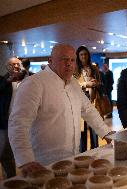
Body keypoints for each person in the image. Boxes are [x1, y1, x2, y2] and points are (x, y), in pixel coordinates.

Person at [8, 44, 114, 176]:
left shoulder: (73, 83)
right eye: (64, 59)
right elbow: (18, 123)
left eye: (72, 60)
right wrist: (26, 160)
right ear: (50, 60)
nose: (69, 64)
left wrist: (106, 133)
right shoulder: (34, 84)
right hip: (43, 164)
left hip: (72, 159)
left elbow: (88, 110)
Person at [74, 46, 104, 152]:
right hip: (79, 103)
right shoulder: (75, 69)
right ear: (78, 56)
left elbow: (101, 83)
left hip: (93, 101)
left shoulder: (94, 68)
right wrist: (86, 84)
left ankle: (95, 151)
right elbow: (73, 85)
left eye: (85, 54)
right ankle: (82, 153)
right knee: (82, 130)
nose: (84, 56)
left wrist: (96, 83)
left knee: (94, 128)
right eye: (81, 54)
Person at [0, 57, 26, 178]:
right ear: (7, 67)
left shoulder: (26, 79)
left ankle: (12, 178)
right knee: (5, 152)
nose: (16, 66)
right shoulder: (3, 80)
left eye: (17, 64)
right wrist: (8, 80)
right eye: (13, 64)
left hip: (21, 122)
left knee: (17, 150)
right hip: (5, 122)